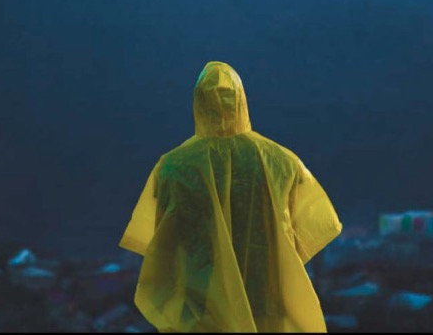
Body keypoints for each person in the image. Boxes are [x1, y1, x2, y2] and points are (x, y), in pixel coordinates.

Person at [120, 61, 342, 332]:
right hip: (267, 302)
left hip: (203, 307)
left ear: (197, 103)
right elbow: (307, 228)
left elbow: (164, 241)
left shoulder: (173, 167)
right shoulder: (280, 160)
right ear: (241, 100)